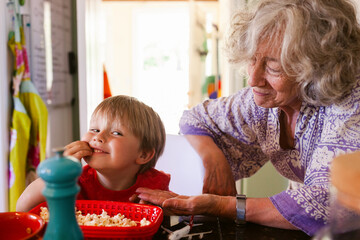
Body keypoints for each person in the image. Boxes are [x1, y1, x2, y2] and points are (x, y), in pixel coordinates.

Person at [136, 0, 360, 236]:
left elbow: (325, 203)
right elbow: (194, 119)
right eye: (253, 59)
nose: (253, 79)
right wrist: (213, 159)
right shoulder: (264, 101)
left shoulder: (351, 103)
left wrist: (221, 205)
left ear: (316, 67)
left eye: (273, 67)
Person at [16, 95, 170, 212]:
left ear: (143, 155)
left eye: (116, 133)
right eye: (95, 130)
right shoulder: (74, 181)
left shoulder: (154, 188)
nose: (98, 137)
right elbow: (23, 208)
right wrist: (58, 172)